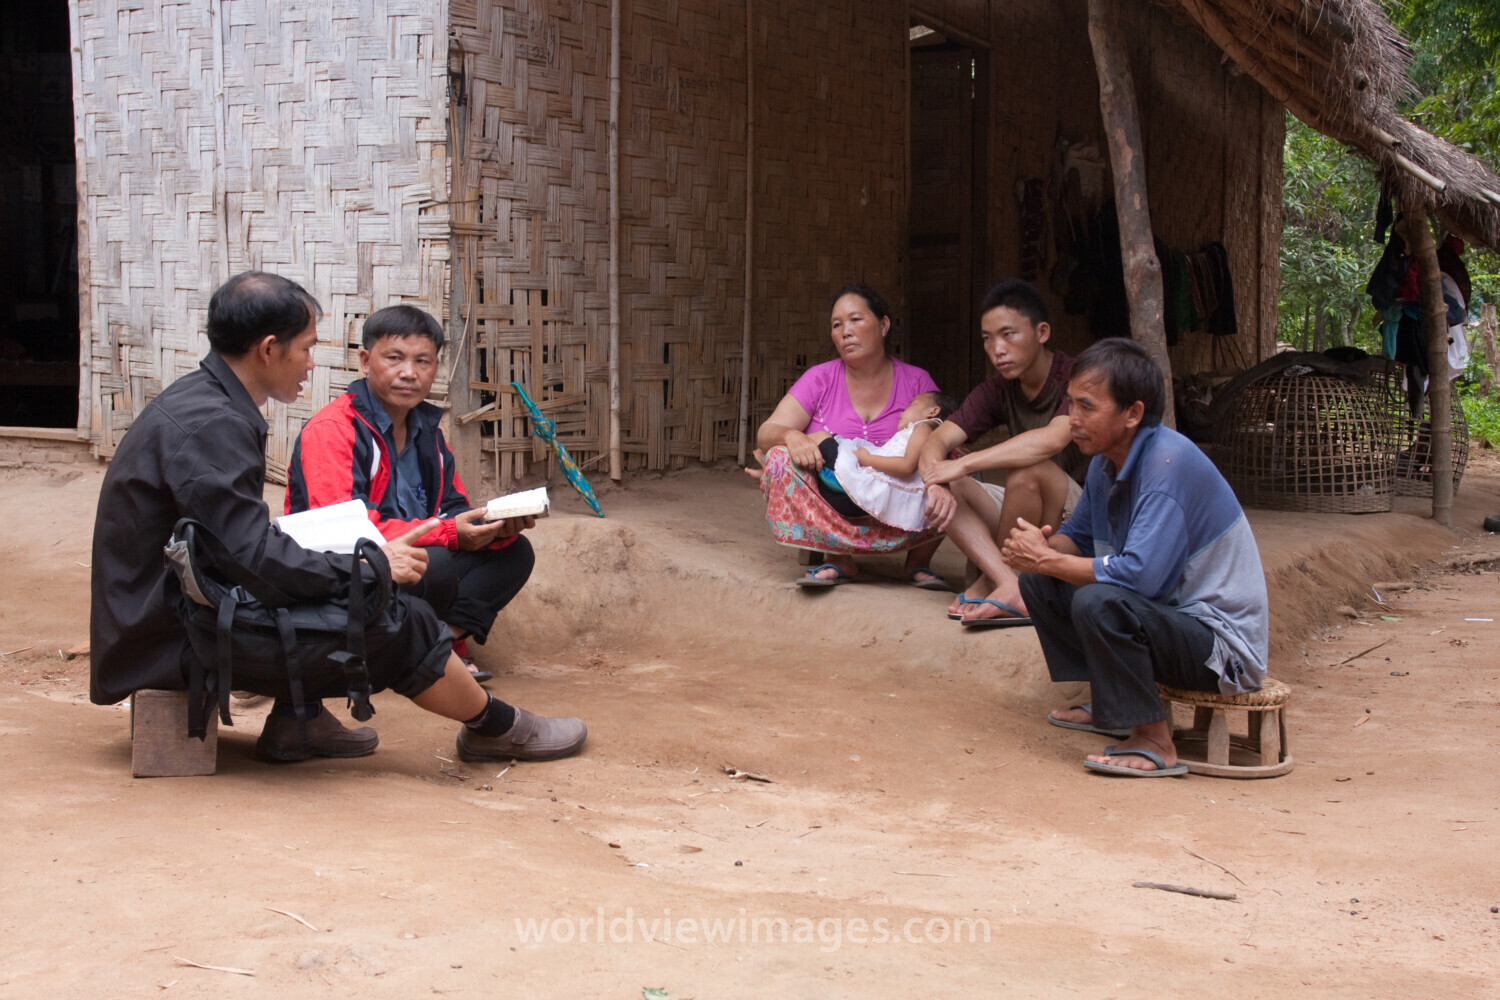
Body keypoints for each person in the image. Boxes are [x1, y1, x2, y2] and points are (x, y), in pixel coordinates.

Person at [89, 271, 586, 765]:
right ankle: (493, 728)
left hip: (172, 611)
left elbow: (241, 548)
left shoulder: (206, 402)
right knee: (394, 616)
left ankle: (297, 722)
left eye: (422, 361)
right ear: (268, 349)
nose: (310, 363)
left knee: (374, 587)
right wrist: (369, 566)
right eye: (305, 348)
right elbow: (253, 556)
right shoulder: (218, 424)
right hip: (172, 633)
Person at [1001, 338, 1268, 777]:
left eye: (1087, 406)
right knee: (1042, 582)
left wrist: (1046, 560)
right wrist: (1039, 551)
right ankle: (1113, 702)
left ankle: (1154, 740)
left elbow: (1137, 579)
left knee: (1099, 599)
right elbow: (1079, 537)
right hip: (1170, 620)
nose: (1073, 419)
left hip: (1221, 648)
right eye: (1071, 404)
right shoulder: (1106, 463)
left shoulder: (1168, 465)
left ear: (1133, 414)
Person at [285, 304, 533, 685]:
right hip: (337, 574)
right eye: (395, 358)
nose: (409, 373)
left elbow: (452, 507)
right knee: (437, 561)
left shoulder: (428, 432)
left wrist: (493, 529)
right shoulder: (333, 429)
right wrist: (451, 532)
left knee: (514, 553)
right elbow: (344, 534)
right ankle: (406, 651)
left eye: (423, 361)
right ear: (366, 361)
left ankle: (436, 643)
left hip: (407, 565)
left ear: (436, 368)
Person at [918, 279, 1088, 626]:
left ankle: (998, 578)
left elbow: (1053, 440)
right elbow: (935, 440)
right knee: (951, 485)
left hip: (1078, 515)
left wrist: (962, 463)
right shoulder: (996, 389)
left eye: (1008, 334)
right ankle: (1005, 580)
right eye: (987, 338)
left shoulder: (1077, 376)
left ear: (1042, 332)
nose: (997, 349)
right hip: (1028, 518)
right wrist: (936, 482)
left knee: (1028, 468)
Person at [753, 283, 946, 587]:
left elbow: (942, 436)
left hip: (898, 495)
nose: (845, 331)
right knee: (778, 457)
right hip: (833, 496)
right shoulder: (820, 378)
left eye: (856, 320)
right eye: (837, 325)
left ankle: (917, 562)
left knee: (955, 461)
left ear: (883, 325)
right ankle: (837, 558)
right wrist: (793, 437)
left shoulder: (917, 381)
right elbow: (766, 432)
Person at [804, 393, 956, 533]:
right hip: (859, 496)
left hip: (855, 493)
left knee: (820, 436)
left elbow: (907, 465)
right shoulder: (921, 433)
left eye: (912, 404)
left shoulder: (924, 428)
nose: (904, 410)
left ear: (933, 411)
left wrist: (867, 459)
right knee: (826, 441)